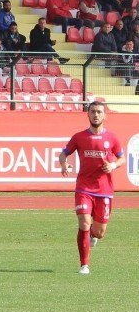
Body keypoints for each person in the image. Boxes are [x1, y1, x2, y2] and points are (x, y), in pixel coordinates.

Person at [58, 101, 125, 275]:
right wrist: (64, 164)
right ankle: (84, 265)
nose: (96, 115)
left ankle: (94, 237)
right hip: (84, 188)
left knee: (100, 232)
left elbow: (121, 158)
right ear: (88, 114)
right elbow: (64, 153)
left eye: (99, 112)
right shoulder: (79, 137)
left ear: (105, 115)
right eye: (93, 112)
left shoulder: (112, 138)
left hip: (104, 190)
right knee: (84, 223)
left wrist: (113, 165)